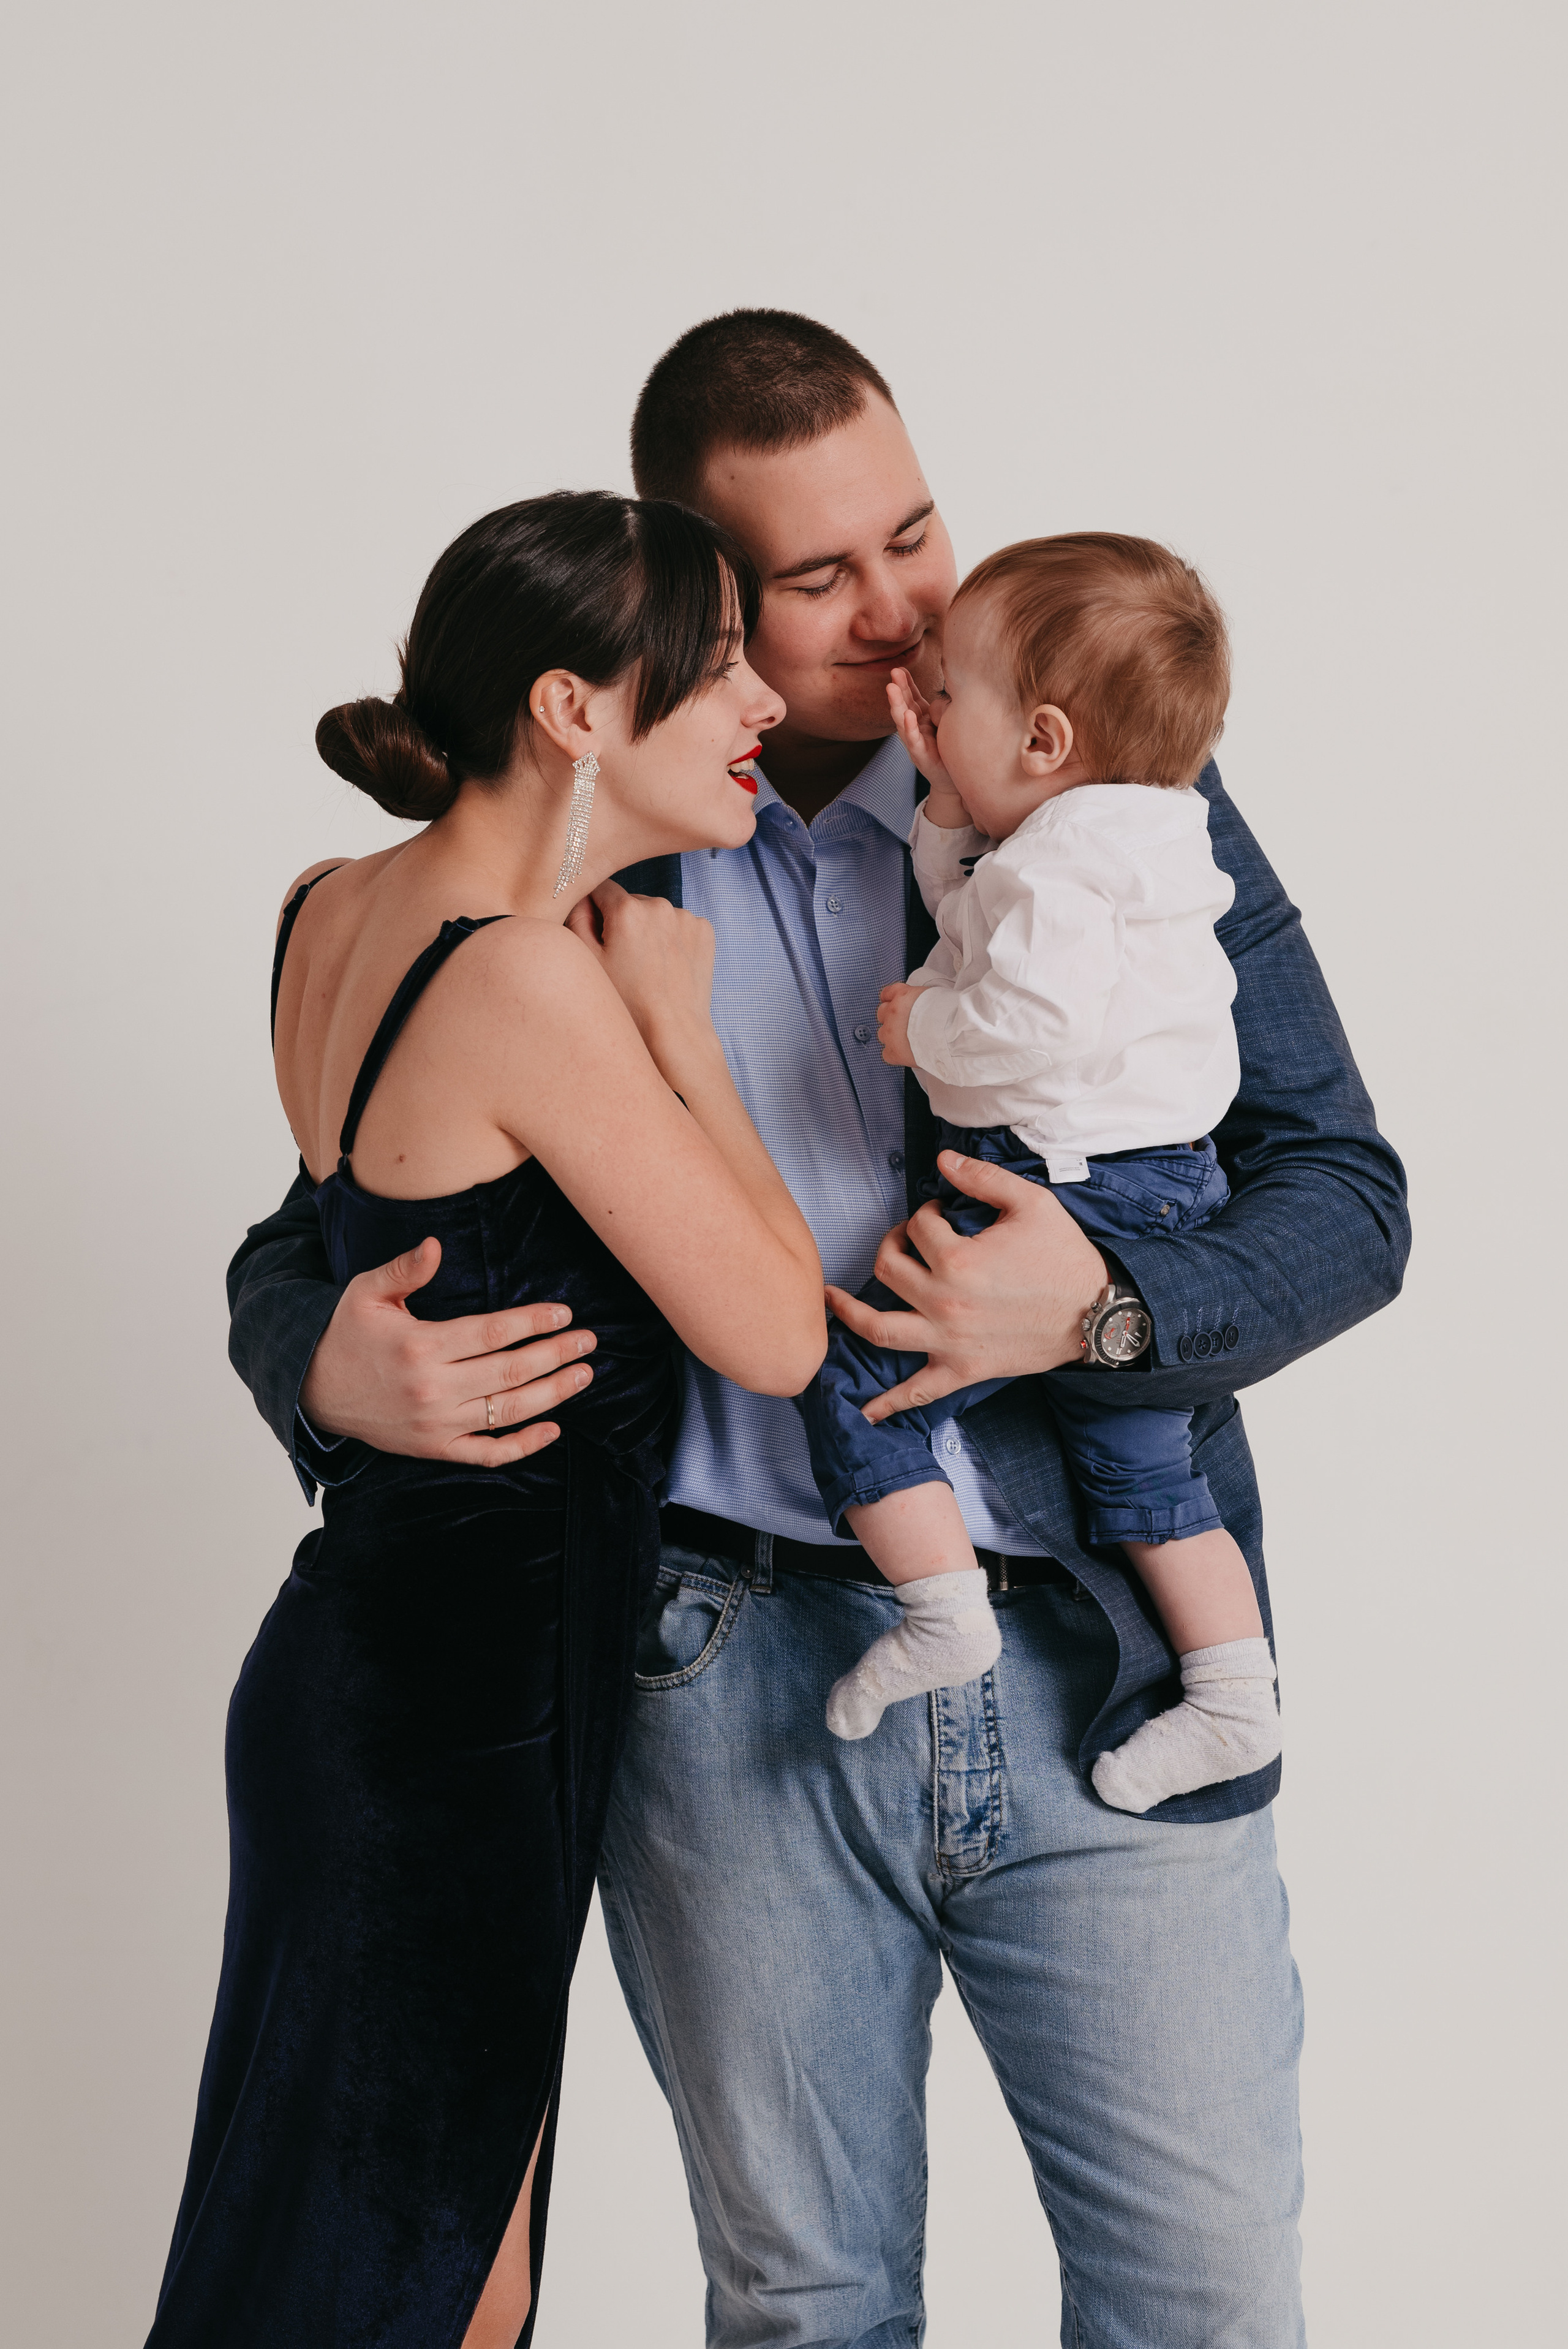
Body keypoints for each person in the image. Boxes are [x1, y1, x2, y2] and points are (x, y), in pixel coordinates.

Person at [226, 313, 1409, 2348]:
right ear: (704, 607)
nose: (902, 612)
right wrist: (311, 1354)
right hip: (727, 1674)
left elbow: (1347, 1192)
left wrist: (1112, 1304)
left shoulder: (1109, 780)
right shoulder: (606, 838)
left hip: (1100, 1651)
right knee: (802, 2307)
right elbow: (349, 1181)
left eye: (917, 535)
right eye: (819, 579)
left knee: (1210, 2296)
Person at [147, 490, 824, 2349]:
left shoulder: (331, 908)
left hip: (383, 1669)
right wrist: (684, 1040)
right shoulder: (527, 975)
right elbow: (771, 1332)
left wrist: (306, 1358)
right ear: (574, 709)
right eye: (720, 669)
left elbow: (331, 1230)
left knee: (428, 2269)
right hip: (455, 1700)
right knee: (417, 2281)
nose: (761, 698)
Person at [805, 532, 1282, 1820]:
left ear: (1047, 743)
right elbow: (988, 910)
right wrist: (953, 808)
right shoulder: (1131, 831)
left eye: (949, 691)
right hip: (1157, 1184)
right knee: (1141, 1467)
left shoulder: (1062, 868)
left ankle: (939, 1608)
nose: (921, 687)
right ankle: (1233, 1692)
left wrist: (924, 1036)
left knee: (859, 1389)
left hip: (1064, 1189)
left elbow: (1024, 1018)